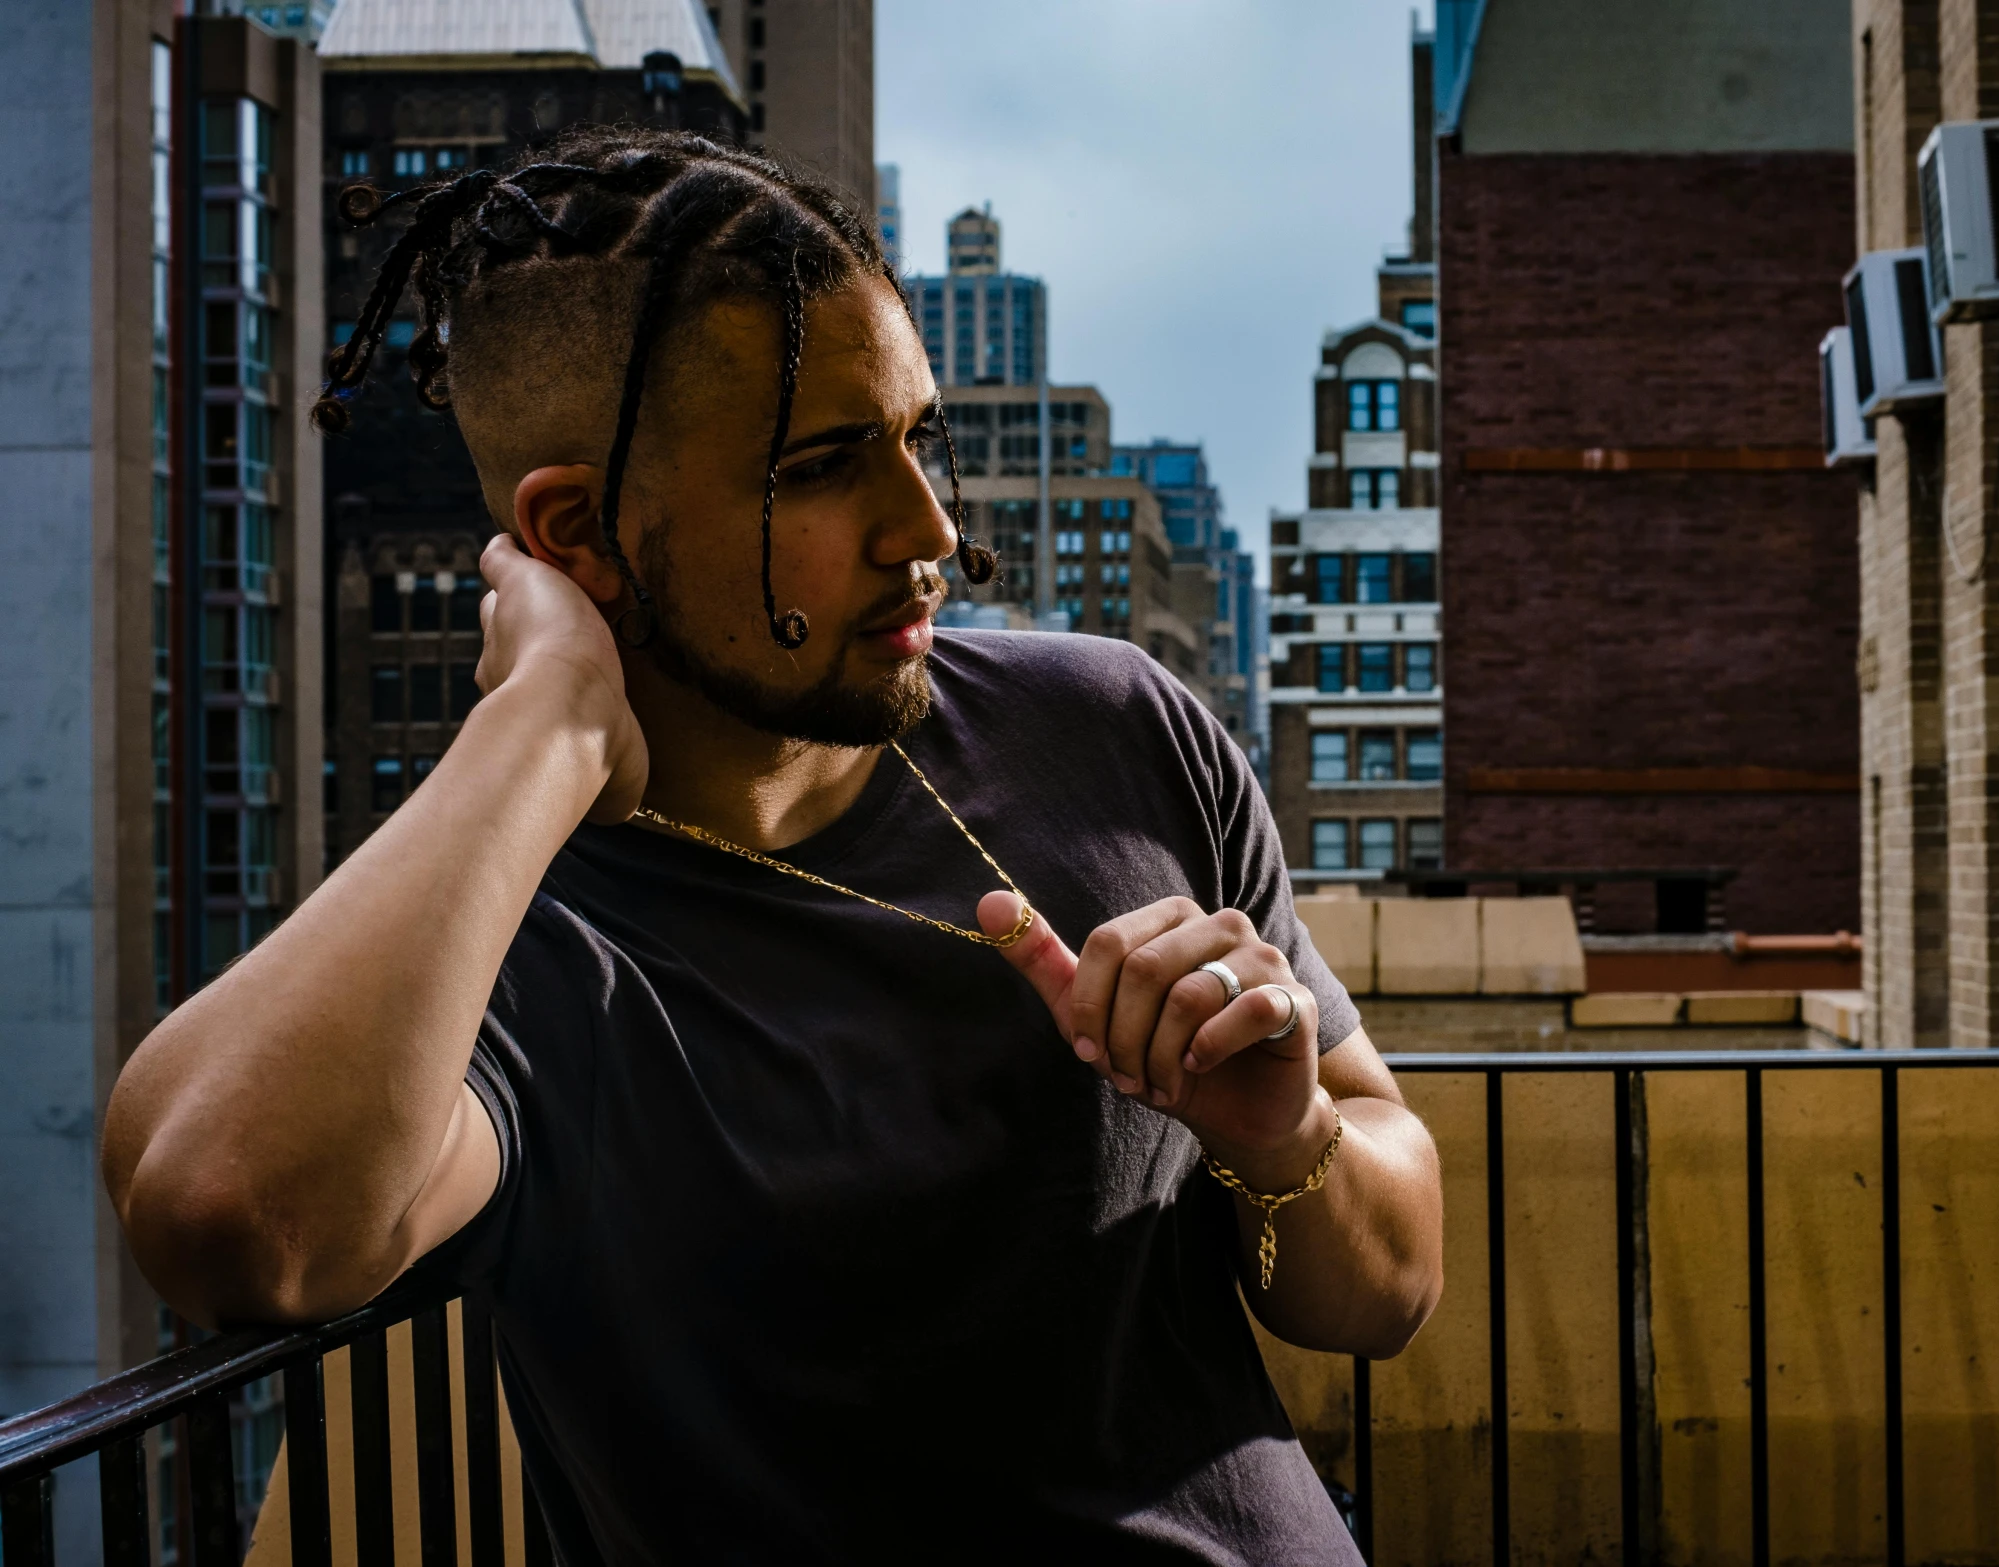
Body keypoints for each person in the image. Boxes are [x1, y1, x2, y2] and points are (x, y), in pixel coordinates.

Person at [101, 128, 1443, 1563]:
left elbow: (1387, 1288)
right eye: (820, 468)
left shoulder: (1117, 728)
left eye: (919, 439)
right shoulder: (509, 947)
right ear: (577, 532)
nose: (924, 527)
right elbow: (233, 1211)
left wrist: (1279, 1136)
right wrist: (540, 721)